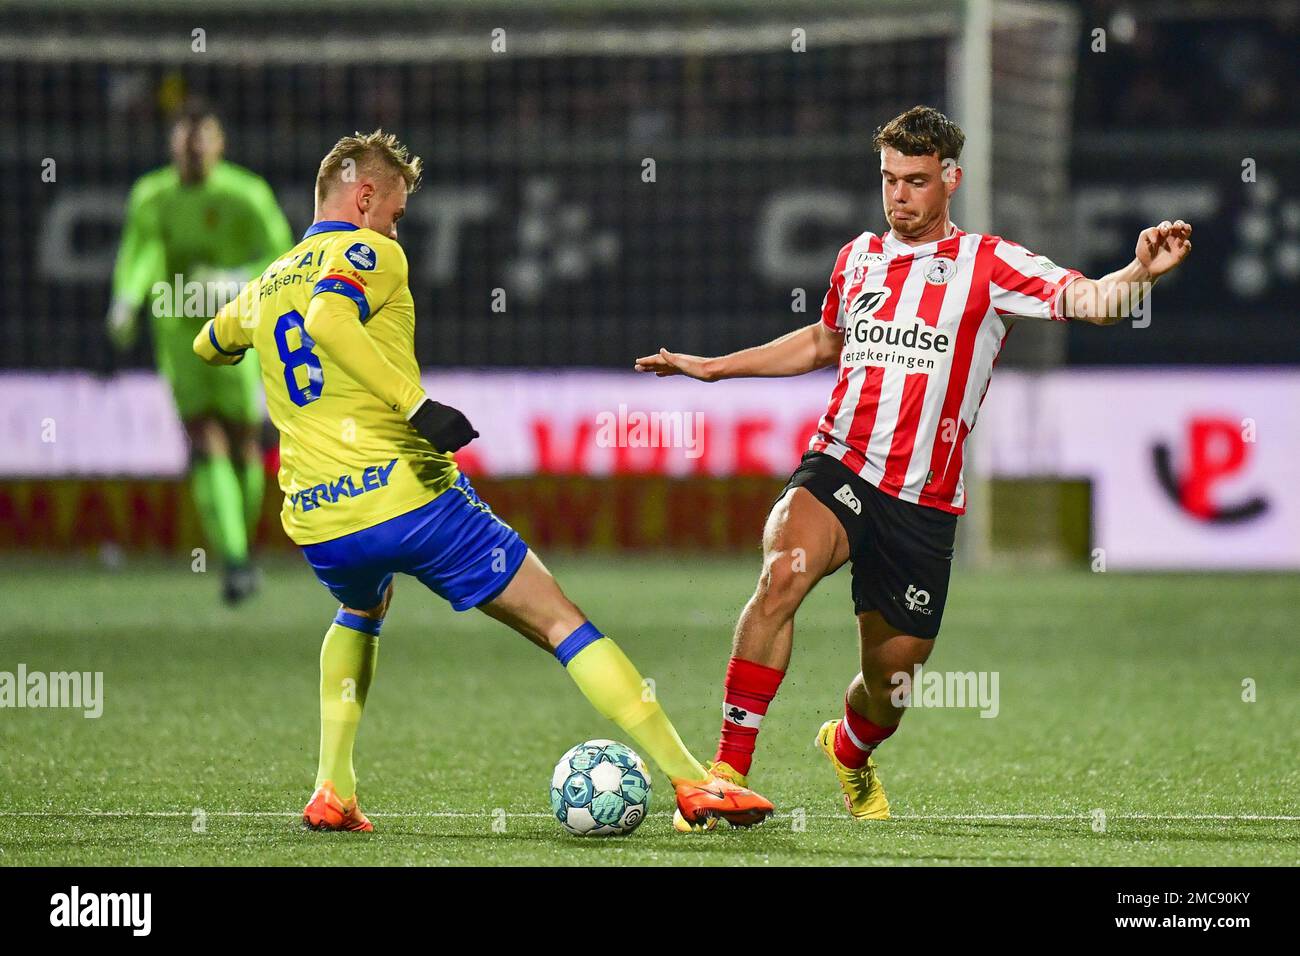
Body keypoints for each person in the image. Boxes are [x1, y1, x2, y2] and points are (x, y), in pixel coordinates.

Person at [193, 129, 774, 833]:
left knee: (360, 612)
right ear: (365, 194)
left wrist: (251, 327)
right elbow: (327, 317)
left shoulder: (269, 279)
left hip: (322, 522)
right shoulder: (369, 250)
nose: (397, 225)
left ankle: (333, 788)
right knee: (561, 619)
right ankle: (691, 781)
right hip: (409, 496)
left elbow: (209, 343)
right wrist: (417, 407)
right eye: (398, 211)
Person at [635, 105, 1192, 827]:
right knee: (782, 575)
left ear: (951, 180)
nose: (900, 195)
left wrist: (1139, 274)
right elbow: (822, 341)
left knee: (888, 685)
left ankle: (849, 750)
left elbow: (1090, 302)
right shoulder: (857, 256)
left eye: (917, 181)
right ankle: (724, 773)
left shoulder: (991, 265)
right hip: (840, 462)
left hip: (925, 501)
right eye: (890, 179)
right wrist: (712, 369)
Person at [108, 101, 293, 603]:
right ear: (173, 147)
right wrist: (126, 298)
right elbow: (140, 251)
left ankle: (243, 550)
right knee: (203, 436)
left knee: (243, 441)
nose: (193, 153)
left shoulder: (247, 194)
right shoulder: (151, 195)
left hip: (234, 330)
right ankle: (234, 561)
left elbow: (285, 256)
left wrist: (235, 281)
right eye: (185, 143)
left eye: (202, 141)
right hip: (177, 332)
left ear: (219, 145)